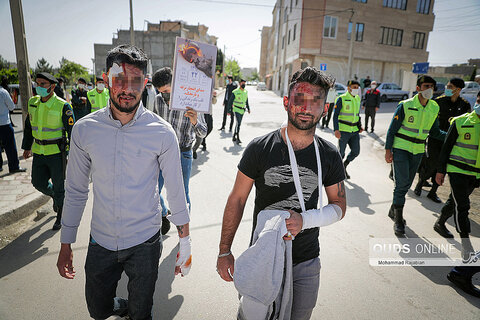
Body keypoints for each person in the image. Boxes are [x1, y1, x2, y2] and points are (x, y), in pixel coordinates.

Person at [56, 45, 192, 319]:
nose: (127, 89)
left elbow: (177, 191)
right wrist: (66, 242)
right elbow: (76, 191)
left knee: (142, 313)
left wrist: (185, 242)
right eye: (120, 79)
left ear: (145, 82)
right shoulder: (85, 130)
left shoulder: (162, 133)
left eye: (136, 81)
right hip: (101, 241)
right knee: (97, 310)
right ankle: (122, 306)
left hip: (145, 242)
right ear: (106, 79)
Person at [216, 67, 346, 319]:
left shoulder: (329, 154)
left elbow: (339, 206)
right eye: (299, 99)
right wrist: (224, 250)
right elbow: (237, 199)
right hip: (263, 256)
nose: (306, 107)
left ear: (325, 109)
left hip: (306, 262)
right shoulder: (259, 148)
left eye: (315, 101)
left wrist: (305, 221)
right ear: (287, 102)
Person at [385, 75, 446, 236]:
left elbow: (434, 132)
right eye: (426, 86)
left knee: (406, 185)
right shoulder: (405, 105)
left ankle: (393, 209)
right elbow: (392, 130)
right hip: (401, 149)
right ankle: (399, 220)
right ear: (418, 88)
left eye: (432, 87)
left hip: (418, 151)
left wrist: (453, 135)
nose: (429, 90)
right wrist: (388, 150)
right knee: (401, 184)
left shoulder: (434, 107)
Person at [434, 91, 480, 298]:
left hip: (476, 174)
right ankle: (466, 244)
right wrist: (440, 170)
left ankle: (440, 221)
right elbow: (446, 148)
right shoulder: (461, 121)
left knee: (454, 202)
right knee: (463, 206)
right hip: (458, 171)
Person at [152, 67, 207, 235]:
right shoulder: (158, 101)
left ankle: (184, 233)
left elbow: (203, 132)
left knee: (182, 194)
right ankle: (164, 213)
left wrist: (195, 120)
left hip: (183, 153)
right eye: (162, 92)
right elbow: (153, 126)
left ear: (175, 85)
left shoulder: (192, 100)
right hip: (161, 154)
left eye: (167, 91)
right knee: (152, 190)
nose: (165, 96)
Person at [21, 72, 75, 230]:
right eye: (37, 84)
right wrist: (26, 147)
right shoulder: (33, 102)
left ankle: (60, 214)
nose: (39, 87)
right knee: (37, 182)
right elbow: (29, 127)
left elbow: (72, 132)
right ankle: (54, 196)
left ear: (52, 86)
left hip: (57, 153)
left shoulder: (62, 105)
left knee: (60, 186)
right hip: (38, 152)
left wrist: (73, 154)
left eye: (42, 84)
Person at [414, 78, 471, 203]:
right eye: (447, 86)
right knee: (432, 164)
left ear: (458, 89)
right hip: (436, 139)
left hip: (451, 143)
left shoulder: (464, 105)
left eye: (450, 87)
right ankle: (420, 184)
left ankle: (433, 191)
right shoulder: (438, 102)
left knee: (442, 167)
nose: (447, 89)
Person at [333, 79, 363, 179]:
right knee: (340, 153)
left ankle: (344, 165)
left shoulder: (357, 98)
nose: (356, 89)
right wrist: (336, 130)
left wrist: (360, 125)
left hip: (354, 131)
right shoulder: (342, 98)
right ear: (349, 88)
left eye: (357, 87)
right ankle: (337, 172)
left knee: (356, 151)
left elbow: (357, 114)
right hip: (343, 131)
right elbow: (335, 115)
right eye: (354, 87)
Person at [0, 80, 25, 173]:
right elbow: (12, 107)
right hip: (4, 124)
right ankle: (14, 166)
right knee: (10, 147)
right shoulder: (3, 92)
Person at [193, 90, 216, 159]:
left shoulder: (209, 90)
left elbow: (214, 102)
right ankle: (194, 150)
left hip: (209, 114)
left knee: (210, 128)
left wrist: (214, 96)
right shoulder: (198, 91)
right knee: (200, 137)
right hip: (201, 114)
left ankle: (203, 141)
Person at [227, 79, 250, 144]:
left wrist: (248, 108)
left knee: (238, 124)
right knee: (238, 123)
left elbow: (246, 101)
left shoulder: (245, 92)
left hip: (242, 110)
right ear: (240, 84)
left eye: (244, 83)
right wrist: (228, 110)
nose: (243, 84)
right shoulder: (235, 92)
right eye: (242, 83)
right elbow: (230, 101)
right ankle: (238, 138)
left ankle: (234, 136)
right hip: (236, 109)